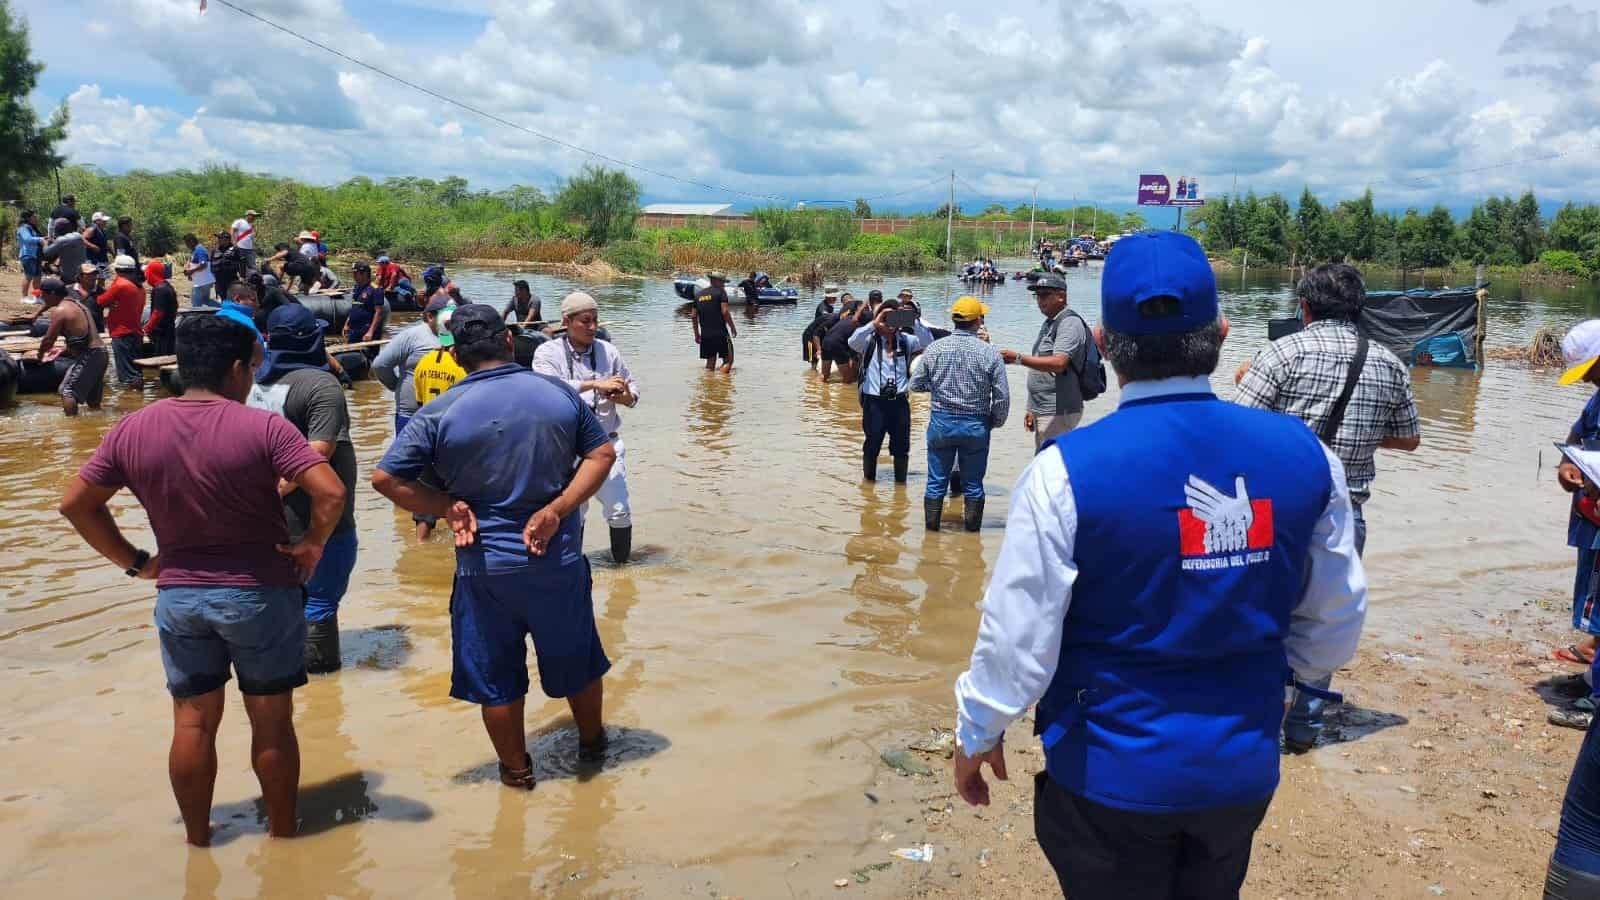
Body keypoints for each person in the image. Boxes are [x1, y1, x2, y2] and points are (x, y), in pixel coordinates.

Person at [951, 229, 1368, 900]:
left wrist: (978, 732)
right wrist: (1279, 689)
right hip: (1241, 770)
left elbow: (1017, 636)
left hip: (1107, 776)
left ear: (1108, 345)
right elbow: (1334, 619)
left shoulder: (1065, 472)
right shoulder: (1306, 457)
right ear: (1223, 332)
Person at [58, 313, 345, 846]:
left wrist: (139, 562)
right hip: (259, 593)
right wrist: (313, 544)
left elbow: (76, 505)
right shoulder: (263, 427)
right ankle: (285, 838)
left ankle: (198, 843)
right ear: (237, 369)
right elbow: (329, 492)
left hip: (181, 597)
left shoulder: (135, 427)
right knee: (272, 723)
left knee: (191, 724)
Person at [372, 304, 618, 788]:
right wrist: (558, 508)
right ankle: (592, 750)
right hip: (557, 559)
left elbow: (385, 478)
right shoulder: (554, 394)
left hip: (483, 569)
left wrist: (446, 506)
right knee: (578, 659)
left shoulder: (438, 411)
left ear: (457, 357)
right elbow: (602, 452)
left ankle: (516, 774)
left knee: (496, 677)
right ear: (509, 341)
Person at [1234, 262, 1420, 751]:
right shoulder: (1387, 361)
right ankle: (1304, 729)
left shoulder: (1281, 353)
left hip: (1275, 514)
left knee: (1262, 615)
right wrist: (1357, 434)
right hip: (1346, 514)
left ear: (1304, 306)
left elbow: (1237, 429)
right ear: (1360, 309)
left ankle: (1256, 722)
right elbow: (1409, 438)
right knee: (1324, 622)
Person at [249, 304, 360, 674]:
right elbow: (317, 453)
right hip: (320, 523)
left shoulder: (251, 383)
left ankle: (280, 687)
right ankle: (324, 707)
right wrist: (277, 491)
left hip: (264, 525)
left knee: (280, 606)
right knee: (320, 606)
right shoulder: (320, 386)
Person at [533, 292, 639, 564]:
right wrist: (595, 384)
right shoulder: (547, 352)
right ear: (567, 321)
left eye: (595, 320)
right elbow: (546, 388)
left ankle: (622, 572)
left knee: (619, 511)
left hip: (607, 444)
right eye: (585, 321)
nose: (593, 327)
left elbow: (633, 394)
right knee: (573, 512)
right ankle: (573, 568)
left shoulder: (609, 351)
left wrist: (623, 395)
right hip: (568, 448)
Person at [910, 296, 1010, 532]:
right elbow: (1002, 397)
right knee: (974, 485)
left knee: (935, 483)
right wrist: (994, 422)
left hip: (941, 423)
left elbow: (915, 384)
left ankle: (931, 538)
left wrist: (936, 388)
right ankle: (973, 536)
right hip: (976, 425)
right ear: (977, 321)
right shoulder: (990, 353)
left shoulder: (935, 348)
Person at [1002, 272, 1091, 449]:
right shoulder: (1050, 322)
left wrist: (1017, 359)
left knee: (1050, 466)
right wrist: (1031, 408)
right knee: (1043, 460)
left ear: (1061, 296)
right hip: (1043, 408)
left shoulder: (1069, 323)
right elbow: (1039, 367)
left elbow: (1059, 363)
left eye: (1045, 295)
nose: (1040, 300)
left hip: (1058, 409)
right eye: (1037, 295)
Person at [849, 297, 933, 484]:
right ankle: (869, 485)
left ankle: (900, 486)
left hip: (900, 403)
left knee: (901, 448)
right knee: (872, 445)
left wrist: (911, 320)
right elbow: (852, 341)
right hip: (874, 403)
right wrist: (875, 323)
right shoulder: (869, 341)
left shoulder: (906, 341)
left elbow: (928, 342)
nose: (889, 322)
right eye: (886, 317)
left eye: (893, 318)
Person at [1556, 321, 1600, 672]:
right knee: (1592, 595)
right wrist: (1565, 464)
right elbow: (1575, 436)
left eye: (1590, 370)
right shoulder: (1597, 400)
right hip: (1592, 520)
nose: (1586, 380)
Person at [374, 294, 447, 435]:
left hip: (445, 415)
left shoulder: (456, 338)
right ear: (431, 317)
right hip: (411, 414)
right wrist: (396, 386)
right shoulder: (411, 336)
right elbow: (381, 365)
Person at [35, 276, 107, 416]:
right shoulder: (79, 305)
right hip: (101, 353)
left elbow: (48, 340)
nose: (42, 299)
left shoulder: (60, 310)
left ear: (53, 294)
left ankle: (73, 428)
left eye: (43, 295)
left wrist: (39, 356)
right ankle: (94, 429)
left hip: (90, 355)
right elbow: (84, 336)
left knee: (67, 391)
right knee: (93, 401)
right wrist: (64, 350)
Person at [99, 255, 147, 388]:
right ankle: (138, 400)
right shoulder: (139, 287)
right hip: (135, 332)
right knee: (136, 371)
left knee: (127, 375)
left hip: (122, 333)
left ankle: (130, 403)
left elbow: (101, 301)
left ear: (118, 270)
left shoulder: (120, 284)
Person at [692, 271, 736, 373]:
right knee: (728, 361)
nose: (724, 285)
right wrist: (732, 327)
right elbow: (725, 312)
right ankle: (722, 385)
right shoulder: (721, 293)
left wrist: (696, 334)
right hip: (720, 333)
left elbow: (694, 316)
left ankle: (709, 385)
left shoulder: (698, 295)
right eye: (723, 282)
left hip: (706, 335)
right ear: (716, 281)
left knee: (710, 364)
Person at [821, 296, 870, 384]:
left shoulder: (846, 317)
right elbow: (856, 348)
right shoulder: (861, 321)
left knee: (825, 376)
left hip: (826, 341)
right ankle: (844, 396)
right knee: (848, 379)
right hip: (837, 344)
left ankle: (816, 392)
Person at [143, 260, 179, 357]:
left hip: (161, 333)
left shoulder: (160, 289)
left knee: (161, 360)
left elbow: (158, 313)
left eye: (147, 273)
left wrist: (146, 329)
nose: (146, 277)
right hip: (169, 330)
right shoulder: (167, 286)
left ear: (151, 273)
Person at [344, 262, 385, 344]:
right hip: (354, 329)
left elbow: (379, 312)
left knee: (367, 355)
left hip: (367, 330)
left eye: (356, 273)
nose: (353, 276)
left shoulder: (375, 289)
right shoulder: (357, 288)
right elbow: (354, 307)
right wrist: (347, 324)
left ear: (364, 273)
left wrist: (370, 332)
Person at [803, 287, 840, 369]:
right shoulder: (823, 308)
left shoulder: (829, 307)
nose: (835, 299)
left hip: (819, 334)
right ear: (827, 297)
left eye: (835, 297)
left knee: (820, 356)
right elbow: (826, 318)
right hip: (810, 336)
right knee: (813, 359)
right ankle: (811, 377)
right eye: (833, 297)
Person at [42, 218, 87, 284]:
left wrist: (44, 243)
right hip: (82, 273)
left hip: (69, 276)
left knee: (46, 266)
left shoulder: (61, 240)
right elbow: (68, 245)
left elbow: (46, 253)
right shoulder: (78, 236)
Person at [69, 262, 105, 333]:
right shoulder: (69, 291)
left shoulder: (101, 292)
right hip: (74, 332)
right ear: (80, 276)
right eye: (89, 274)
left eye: (94, 274)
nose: (93, 277)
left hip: (96, 332)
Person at [183, 233, 216, 307]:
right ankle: (222, 309)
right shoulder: (195, 250)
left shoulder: (199, 249)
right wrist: (188, 270)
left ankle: (221, 309)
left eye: (186, 243)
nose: (186, 245)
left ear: (191, 241)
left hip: (202, 281)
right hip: (201, 281)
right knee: (205, 300)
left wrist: (191, 271)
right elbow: (192, 262)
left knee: (196, 302)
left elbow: (203, 264)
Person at [17, 209, 43, 301]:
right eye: (34, 216)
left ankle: (37, 297)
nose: (36, 218)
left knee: (38, 277)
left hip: (36, 255)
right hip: (28, 255)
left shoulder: (33, 228)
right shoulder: (23, 228)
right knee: (28, 276)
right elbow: (28, 239)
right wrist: (41, 239)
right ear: (28, 218)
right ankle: (24, 297)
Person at [210, 232, 244, 301]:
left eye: (220, 238)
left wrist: (242, 276)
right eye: (218, 238)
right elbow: (211, 264)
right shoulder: (215, 250)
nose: (218, 240)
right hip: (219, 280)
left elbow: (242, 262)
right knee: (223, 298)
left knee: (233, 298)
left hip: (231, 279)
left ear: (227, 239)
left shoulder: (235, 249)